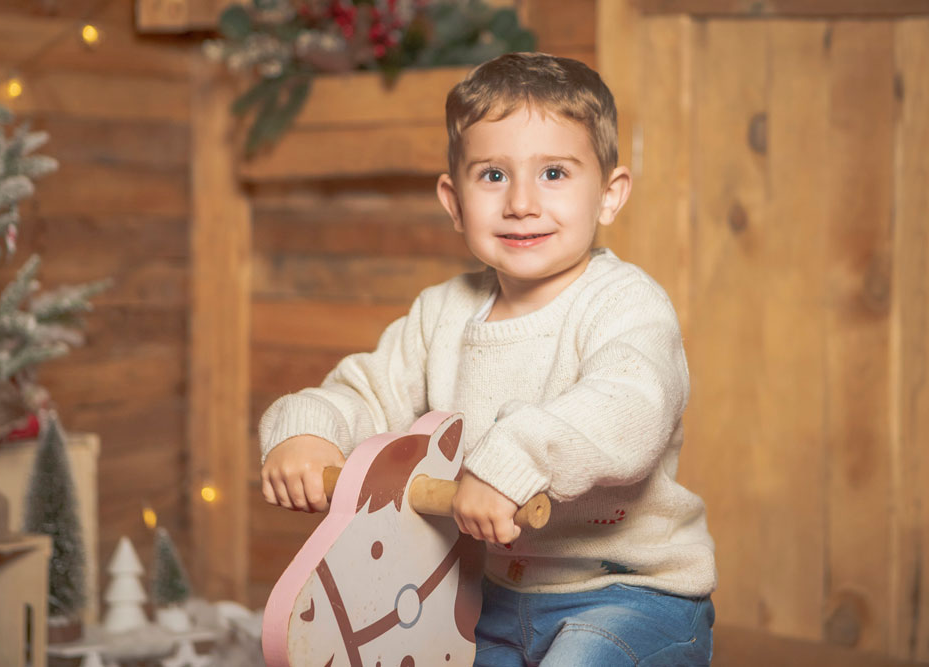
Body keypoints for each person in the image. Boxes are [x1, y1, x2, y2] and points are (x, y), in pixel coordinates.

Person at [259, 52, 716, 666]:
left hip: (629, 594)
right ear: (454, 201)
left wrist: (513, 459)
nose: (521, 202)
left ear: (609, 195)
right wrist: (311, 429)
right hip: (496, 594)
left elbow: (631, 407)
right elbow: (370, 391)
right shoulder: (441, 312)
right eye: (493, 176)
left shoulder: (626, 305)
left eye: (554, 173)